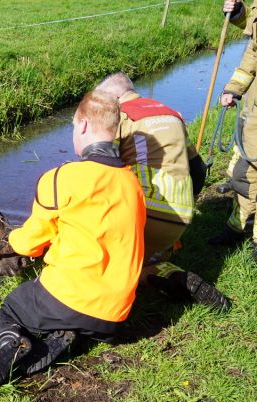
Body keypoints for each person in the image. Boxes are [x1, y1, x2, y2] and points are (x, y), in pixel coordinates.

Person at [0, 91, 145, 393]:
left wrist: (11, 238)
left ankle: (11, 345)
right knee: (77, 317)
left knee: (9, 309)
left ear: (83, 125)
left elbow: (30, 243)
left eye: (73, 127)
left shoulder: (60, 178)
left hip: (70, 298)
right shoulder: (132, 182)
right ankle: (70, 337)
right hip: (115, 315)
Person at [95, 73, 231, 311]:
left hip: (143, 213)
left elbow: (101, 170)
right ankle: (169, 271)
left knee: (105, 260)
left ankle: (162, 275)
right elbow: (198, 169)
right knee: (145, 256)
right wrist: (190, 203)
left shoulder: (120, 118)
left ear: (115, 98)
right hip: (180, 214)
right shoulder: (171, 113)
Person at [209, 0, 257, 261]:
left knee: (249, 175)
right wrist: (233, 89)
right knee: (244, 173)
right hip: (251, 110)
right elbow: (253, 52)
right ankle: (237, 227)